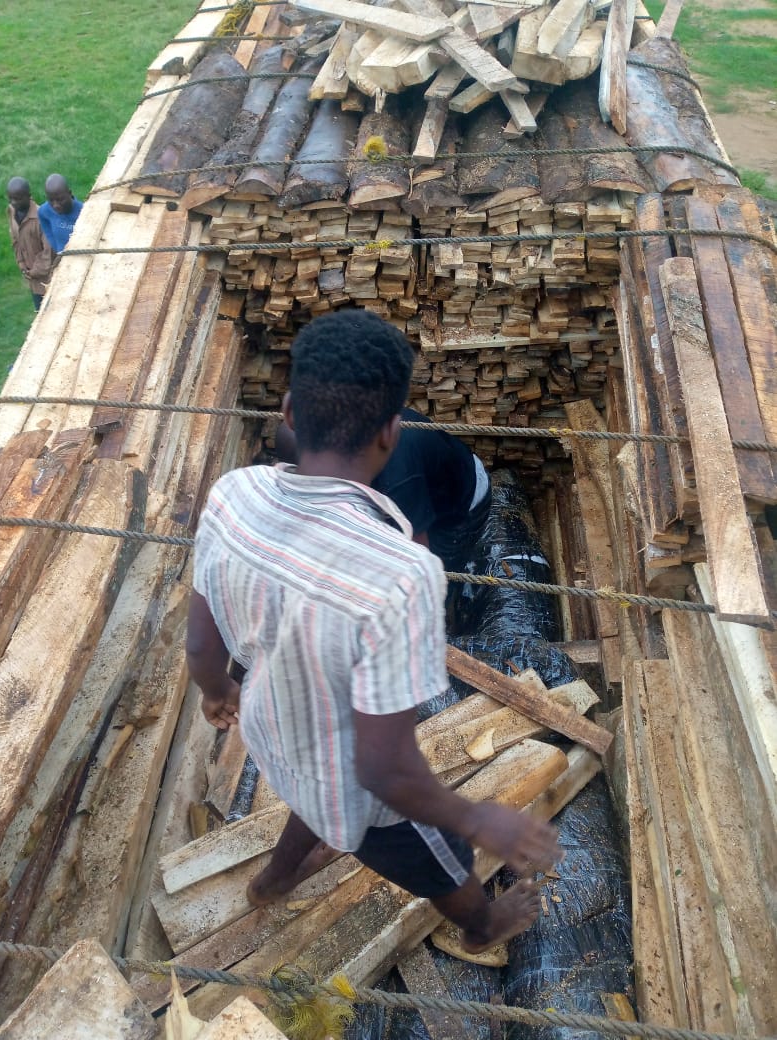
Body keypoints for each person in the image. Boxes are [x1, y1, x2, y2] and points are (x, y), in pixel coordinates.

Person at [188, 309, 560, 955]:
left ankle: (273, 881)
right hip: (367, 790)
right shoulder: (402, 575)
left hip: (271, 732)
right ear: (392, 432)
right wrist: (476, 818)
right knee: (440, 863)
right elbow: (385, 772)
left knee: (312, 792)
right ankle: (480, 927)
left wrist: (216, 690)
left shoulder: (232, 493)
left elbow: (201, 643)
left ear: (289, 414)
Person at [275, 406, 491, 571]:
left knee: (439, 578)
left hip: (457, 509)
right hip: (422, 483)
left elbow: (418, 557)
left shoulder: (396, 474)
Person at [6, 177, 54, 310]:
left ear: (29, 196)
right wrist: (21, 263)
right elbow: (15, 239)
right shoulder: (11, 210)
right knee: (39, 311)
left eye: (18, 198)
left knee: (50, 311)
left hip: (47, 278)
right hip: (31, 278)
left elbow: (48, 251)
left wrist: (34, 272)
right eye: (11, 198)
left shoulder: (41, 218)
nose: (14, 202)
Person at [37, 173, 83, 254]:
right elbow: (44, 220)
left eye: (60, 200)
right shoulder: (45, 210)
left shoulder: (84, 212)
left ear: (70, 193)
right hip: (63, 259)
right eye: (51, 200)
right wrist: (56, 247)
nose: (55, 205)